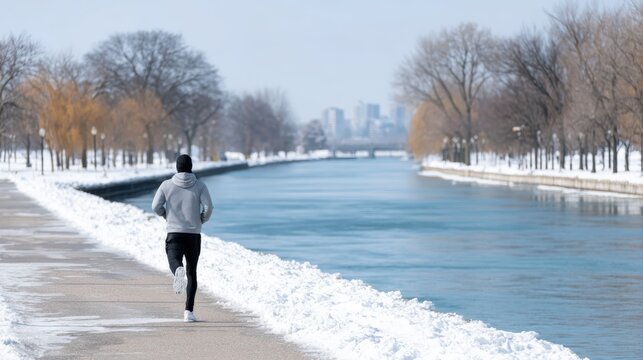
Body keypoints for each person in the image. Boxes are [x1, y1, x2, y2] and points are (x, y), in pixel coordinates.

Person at [152, 154, 212, 322]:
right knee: (192, 272)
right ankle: (188, 312)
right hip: (193, 234)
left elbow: (155, 206)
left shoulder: (166, 185)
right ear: (191, 167)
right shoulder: (200, 186)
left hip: (174, 232)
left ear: (177, 167)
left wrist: (166, 215)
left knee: (174, 260)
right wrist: (202, 219)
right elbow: (208, 207)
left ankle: (177, 269)